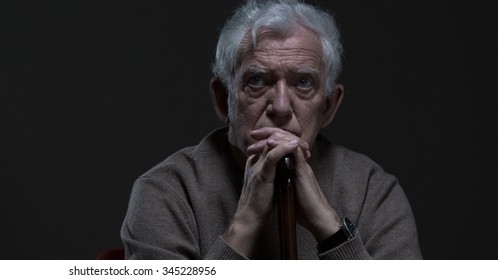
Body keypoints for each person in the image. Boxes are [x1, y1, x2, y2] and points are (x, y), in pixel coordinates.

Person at [120, 0, 422, 259]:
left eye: (303, 83)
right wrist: (246, 222)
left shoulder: (373, 190)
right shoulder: (166, 192)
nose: (280, 107)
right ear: (223, 100)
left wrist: (329, 228)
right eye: (257, 81)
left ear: (328, 106)